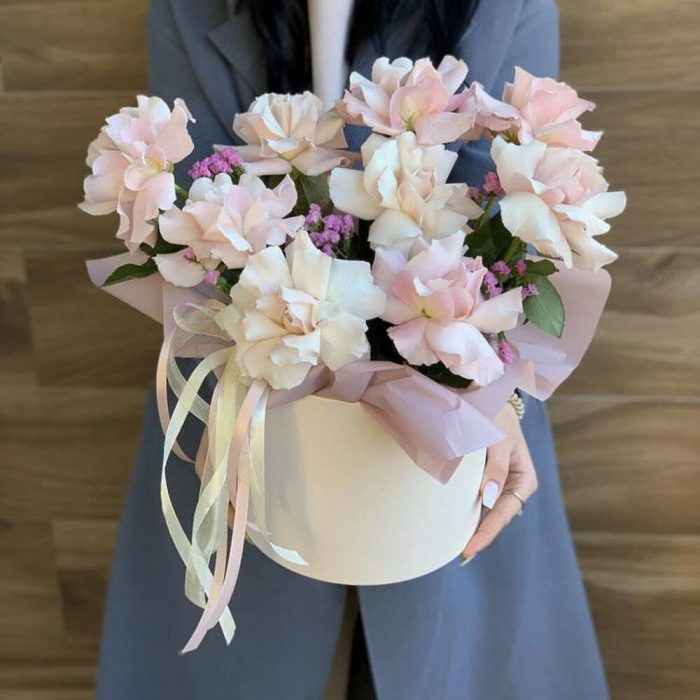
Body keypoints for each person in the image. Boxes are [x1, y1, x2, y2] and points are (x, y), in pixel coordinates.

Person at [95, 1, 610, 698]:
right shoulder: (190, 8)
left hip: (462, 408)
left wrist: (499, 398)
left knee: (446, 658)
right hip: (249, 402)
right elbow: (189, 232)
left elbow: (512, 230)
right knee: (250, 664)